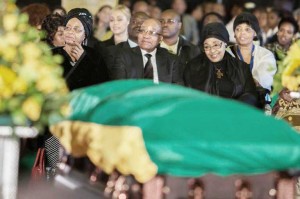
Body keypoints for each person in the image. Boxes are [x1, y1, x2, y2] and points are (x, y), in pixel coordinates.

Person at [184, 22, 258, 107]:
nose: (212, 51)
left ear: (225, 43)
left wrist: (235, 109)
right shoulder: (193, 67)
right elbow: (188, 97)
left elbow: (250, 94)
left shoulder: (241, 67)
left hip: (234, 115)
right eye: (207, 47)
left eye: (216, 45)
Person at [109, 18, 182, 85]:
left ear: (160, 38)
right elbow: (118, 86)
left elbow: (177, 90)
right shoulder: (124, 56)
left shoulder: (171, 60)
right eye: (142, 31)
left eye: (152, 32)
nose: (146, 36)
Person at [52, 8, 109, 91]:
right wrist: (82, 62)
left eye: (76, 29)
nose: (70, 32)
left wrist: (84, 60)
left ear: (85, 35)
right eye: (67, 28)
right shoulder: (52, 54)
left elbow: (101, 87)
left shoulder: (95, 56)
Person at [228, 12, 277, 105]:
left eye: (247, 29)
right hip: (231, 98)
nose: (242, 33)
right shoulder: (226, 53)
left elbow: (263, 81)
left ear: (255, 33)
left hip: (258, 99)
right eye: (238, 29)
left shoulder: (266, 55)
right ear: (234, 33)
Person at [159, 9, 200, 77]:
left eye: (170, 21)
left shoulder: (192, 50)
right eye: (161, 21)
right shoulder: (152, 47)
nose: (165, 24)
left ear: (179, 25)